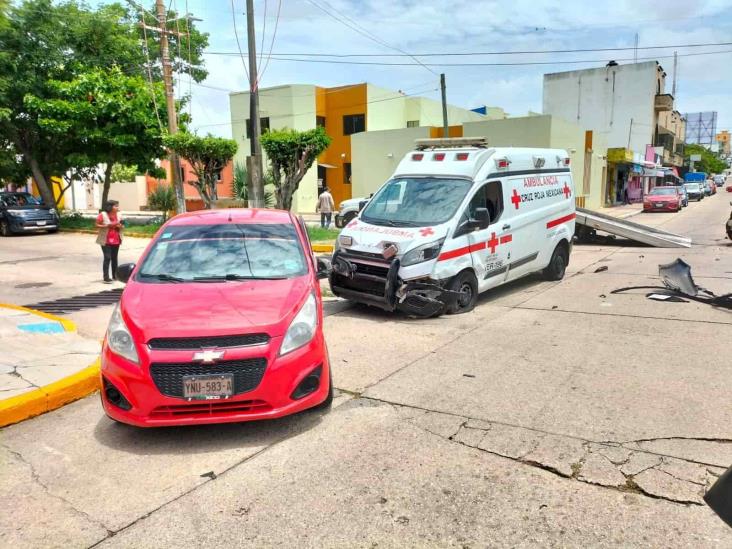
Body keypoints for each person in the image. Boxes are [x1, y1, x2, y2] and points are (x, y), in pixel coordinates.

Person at [95, 200, 123, 283]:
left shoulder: (119, 214)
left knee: (115, 258)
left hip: (116, 239)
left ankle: (115, 276)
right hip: (105, 239)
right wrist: (106, 225)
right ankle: (106, 277)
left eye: (118, 206)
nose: (117, 207)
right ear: (110, 207)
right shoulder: (102, 215)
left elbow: (123, 224)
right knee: (107, 257)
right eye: (116, 206)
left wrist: (120, 225)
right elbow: (96, 224)